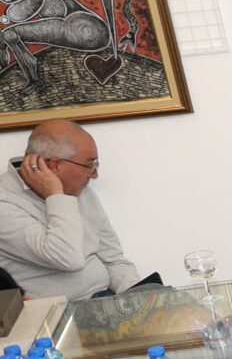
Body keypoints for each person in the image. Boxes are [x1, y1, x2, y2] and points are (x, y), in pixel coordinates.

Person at [0, 117, 145, 296]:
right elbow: (67, 258)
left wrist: (140, 297)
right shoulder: (4, 202)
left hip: (107, 298)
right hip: (61, 309)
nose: (94, 174)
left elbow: (113, 260)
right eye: (90, 164)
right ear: (54, 166)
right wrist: (55, 195)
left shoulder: (80, 191)